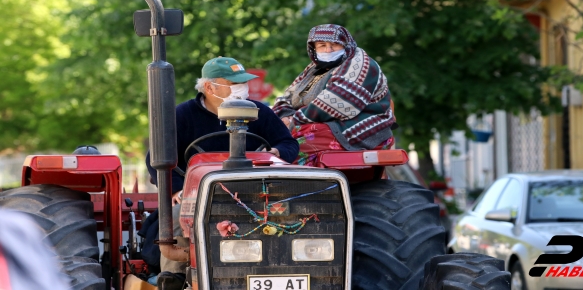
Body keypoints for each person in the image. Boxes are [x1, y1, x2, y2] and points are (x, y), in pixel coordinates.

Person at [143, 57, 299, 286]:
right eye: (234, 84)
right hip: (196, 196)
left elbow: (289, 144)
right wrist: (176, 190)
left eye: (243, 83)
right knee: (178, 215)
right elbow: (155, 159)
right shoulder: (182, 116)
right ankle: (175, 274)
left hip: (256, 194)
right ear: (209, 87)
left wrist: (276, 151)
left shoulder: (260, 112)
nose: (241, 89)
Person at [272, 24, 396, 166]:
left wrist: (294, 119)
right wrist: (283, 116)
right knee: (273, 138)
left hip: (361, 129)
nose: (328, 49)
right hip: (316, 123)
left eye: (335, 45)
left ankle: (296, 186)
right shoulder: (315, 68)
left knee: (293, 146)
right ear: (314, 48)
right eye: (322, 45)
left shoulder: (360, 63)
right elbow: (287, 97)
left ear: (346, 45)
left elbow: (336, 103)